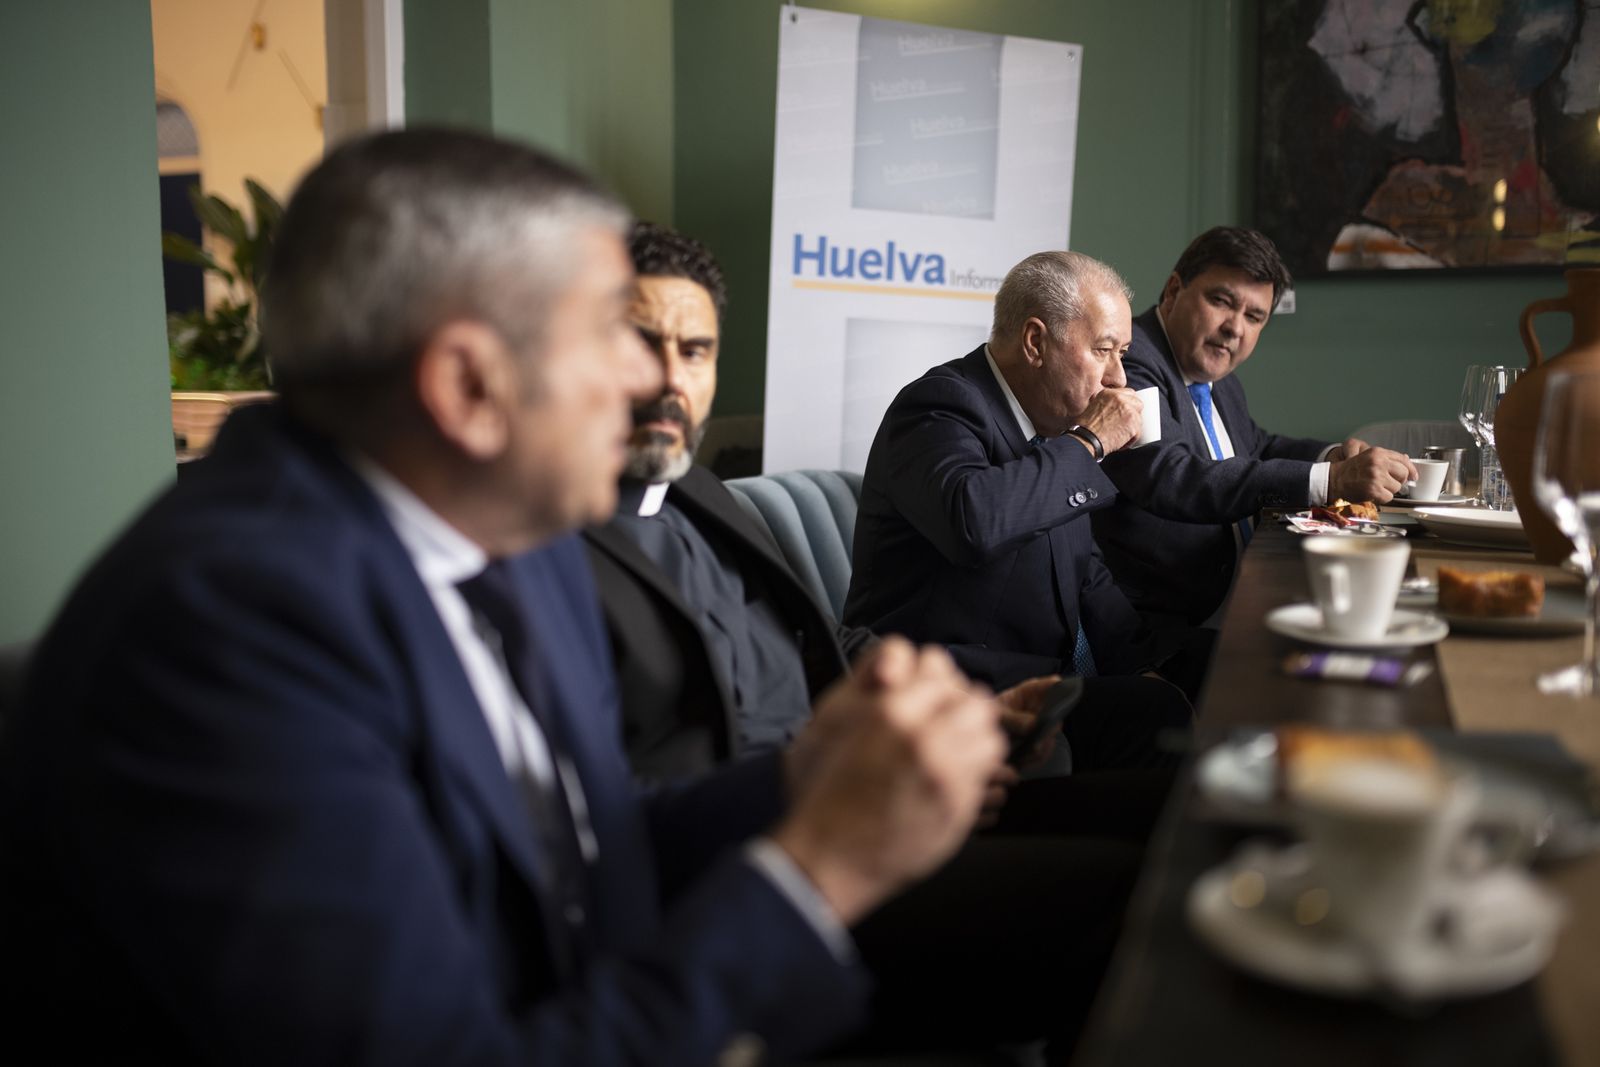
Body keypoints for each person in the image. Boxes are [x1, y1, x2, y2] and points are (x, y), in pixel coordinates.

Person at [0, 129, 1006, 1067]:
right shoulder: (221, 636)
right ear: (467, 388)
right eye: (610, 334)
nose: (649, 380)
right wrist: (818, 867)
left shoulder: (517, 541)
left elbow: (583, 848)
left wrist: (807, 776)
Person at [583, 222, 1169, 1057]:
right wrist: (826, 799)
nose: (671, 381)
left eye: (698, 349)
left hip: (872, 777)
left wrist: (920, 735)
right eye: (641, 345)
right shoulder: (537, 545)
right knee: (1130, 896)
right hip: (781, 862)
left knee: (1169, 820)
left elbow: (807, 668)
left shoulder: (700, 494)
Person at [844, 250, 1192, 770]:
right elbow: (974, 522)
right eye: (1104, 350)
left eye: (1122, 352)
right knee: (1158, 717)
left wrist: (1142, 663)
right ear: (1035, 343)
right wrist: (1091, 440)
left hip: (1038, 675)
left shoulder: (1055, 430)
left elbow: (1085, 575)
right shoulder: (939, 406)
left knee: (1194, 674)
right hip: (951, 688)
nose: (1119, 377)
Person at [1092, 226, 1417, 631]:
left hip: (1241, 591)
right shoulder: (1130, 361)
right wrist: (1331, 480)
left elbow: (1257, 448)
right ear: (1174, 291)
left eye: (1254, 316)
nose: (1235, 328)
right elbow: (1175, 475)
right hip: (1167, 624)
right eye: (1221, 301)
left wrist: (1332, 457)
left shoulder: (1216, 372)